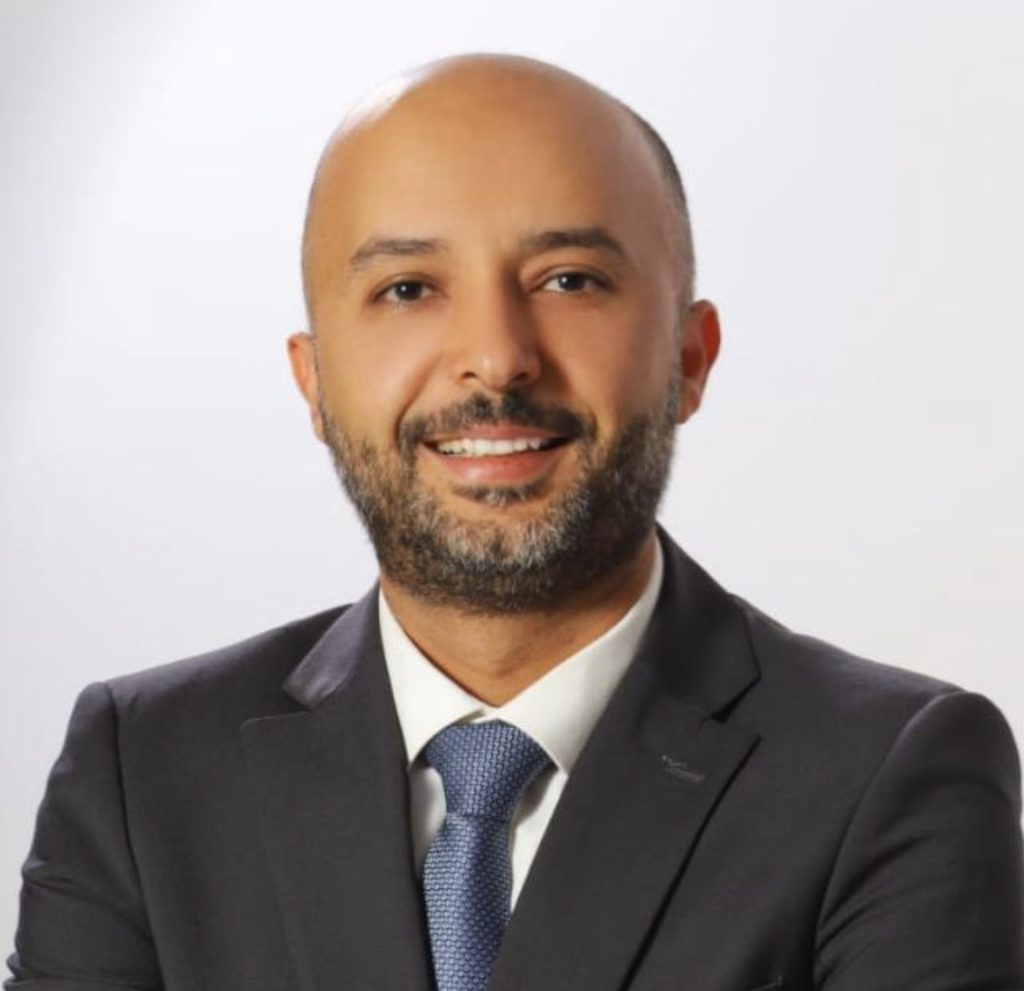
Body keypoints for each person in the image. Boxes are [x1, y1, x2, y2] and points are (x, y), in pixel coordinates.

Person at [6, 53, 1023, 991]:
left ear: (689, 357)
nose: (496, 357)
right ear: (313, 383)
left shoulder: (893, 774)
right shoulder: (143, 770)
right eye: (408, 288)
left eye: (569, 280)